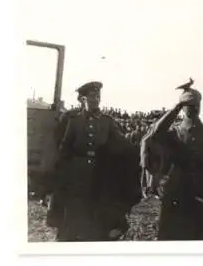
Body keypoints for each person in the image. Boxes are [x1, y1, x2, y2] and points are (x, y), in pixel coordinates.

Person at [46, 81, 142, 241]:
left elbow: (121, 144)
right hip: (77, 174)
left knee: (97, 210)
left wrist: (137, 149)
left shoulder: (107, 121)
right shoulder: (74, 121)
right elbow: (65, 149)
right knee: (74, 211)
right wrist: (59, 175)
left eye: (98, 97)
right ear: (82, 99)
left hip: (100, 174)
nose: (95, 100)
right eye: (91, 97)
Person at [140, 79, 203, 240]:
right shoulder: (173, 132)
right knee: (172, 235)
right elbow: (154, 134)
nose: (195, 108)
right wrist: (176, 107)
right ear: (183, 108)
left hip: (201, 188)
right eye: (189, 105)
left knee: (200, 235)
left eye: (197, 104)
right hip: (176, 188)